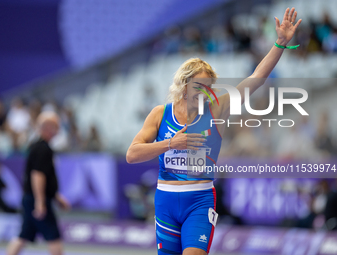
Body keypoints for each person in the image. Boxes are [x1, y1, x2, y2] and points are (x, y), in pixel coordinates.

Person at [127, 8, 302, 255]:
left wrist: (280, 44)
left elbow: (256, 78)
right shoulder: (159, 114)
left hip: (199, 201)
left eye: (209, 87)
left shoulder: (216, 109)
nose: (204, 93)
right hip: (165, 201)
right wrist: (170, 144)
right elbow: (132, 154)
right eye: (199, 86)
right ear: (184, 86)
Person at [7, 112, 70, 255]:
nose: (58, 130)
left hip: (31, 198)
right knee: (54, 237)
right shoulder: (43, 149)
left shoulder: (37, 146)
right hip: (36, 200)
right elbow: (37, 175)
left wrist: (56, 197)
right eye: (56, 126)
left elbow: (43, 177)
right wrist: (40, 202)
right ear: (47, 128)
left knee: (23, 235)